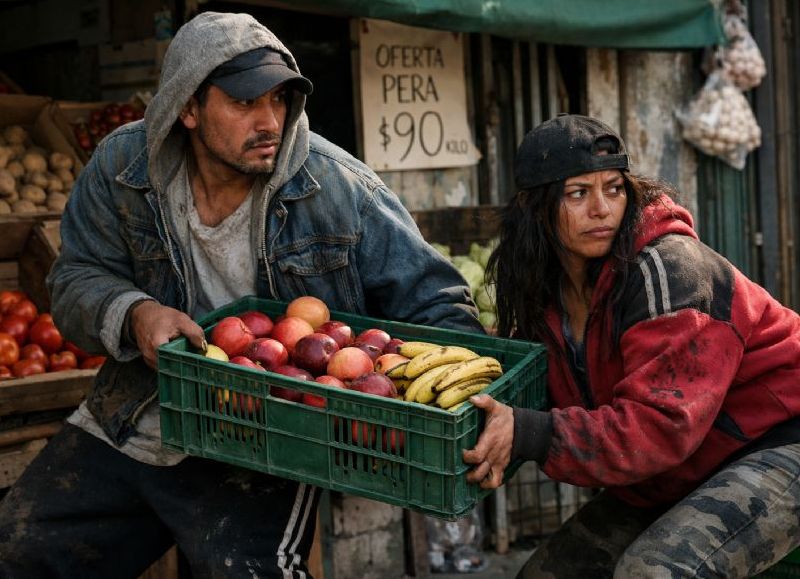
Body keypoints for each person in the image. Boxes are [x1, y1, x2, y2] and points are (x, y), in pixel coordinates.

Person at [0, 11, 483, 578]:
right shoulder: (122, 166)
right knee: (17, 549)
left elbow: (437, 303)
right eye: (245, 102)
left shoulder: (338, 187)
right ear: (189, 107)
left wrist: (472, 408)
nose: (269, 121)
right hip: (137, 414)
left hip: (267, 442)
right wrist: (135, 314)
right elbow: (76, 277)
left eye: (280, 100)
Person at [462, 114, 800, 578]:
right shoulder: (546, 286)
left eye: (614, 188)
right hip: (680, 465)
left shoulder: (670, 270)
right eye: (578, 193)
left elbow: (661, 425)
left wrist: (532, 433)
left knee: (654, 571)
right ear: (536, 207)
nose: (602, 209)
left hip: (777, 444)